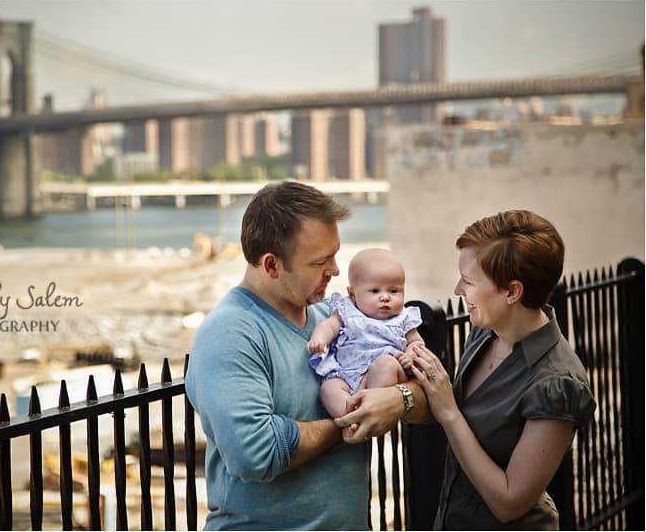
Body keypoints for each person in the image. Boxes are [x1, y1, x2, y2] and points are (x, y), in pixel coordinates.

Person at [335, 210, 596, 529]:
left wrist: (449, 412)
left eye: (469, 281)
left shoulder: (559, 382)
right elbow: (439, 403)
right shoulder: (486, 332)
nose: (458, 290)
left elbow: (509, 504)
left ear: (512, 292)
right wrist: (398, 398)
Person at [186, 181, 409, 530]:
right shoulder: (231, 333)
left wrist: (399, 399)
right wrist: (350, 422)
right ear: (272, 265)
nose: (335, 270)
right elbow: (255, 454)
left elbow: (425, 384)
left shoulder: (330, 320)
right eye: (320, 261)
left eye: (334, 254)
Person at [307, 248, 424, 424]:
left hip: (384, 373)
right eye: (375, 291)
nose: (385, 297)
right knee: (329, 388)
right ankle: (350, 419)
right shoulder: (347, 310)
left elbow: (416, 342)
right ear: (353, 294)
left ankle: (373, 411)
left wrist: (410, 354)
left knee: (384, 364)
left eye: (394, 291)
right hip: (347, 373)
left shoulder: (404, 317)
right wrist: (319, 340)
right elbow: (329, 326)